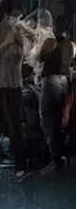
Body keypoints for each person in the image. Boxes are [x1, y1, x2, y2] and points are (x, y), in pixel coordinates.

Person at [0, 0, 27, 179]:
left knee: (16, 126)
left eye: (19, 15)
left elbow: (26, 53)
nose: (16, 18)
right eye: (14, 14)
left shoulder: (21, 32)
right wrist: (7, 42)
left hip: (14, 84)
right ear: (7, 14)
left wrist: (19, 38)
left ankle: (20, 166)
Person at [36, 11, 74, 175]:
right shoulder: (71, 44)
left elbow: (39, 57)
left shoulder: (51, 41)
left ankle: (54, 160)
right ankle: (61, 157)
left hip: (51, 82)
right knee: (60, 121)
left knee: (47, 120)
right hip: (64, 82)